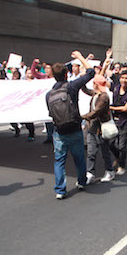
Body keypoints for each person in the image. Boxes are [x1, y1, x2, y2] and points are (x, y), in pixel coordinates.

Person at [46, 51, 95, 199]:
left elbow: (50, 113)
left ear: (53, 76)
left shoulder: (49, 94)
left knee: (59, 161)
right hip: (74, 128)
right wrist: (80, 57)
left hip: (59, 131)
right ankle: (81, 182)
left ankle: (60, 190)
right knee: (79, 157)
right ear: (67, 74)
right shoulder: (72, 87)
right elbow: (91, 72)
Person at [82, 50, 115, 185]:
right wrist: (82, 79)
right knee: (91, 152)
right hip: (92, 128)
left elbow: (96, 112)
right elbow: (85, 90)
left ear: (96, 84)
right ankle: (90, 173)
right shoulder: (96, 93)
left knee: (104, 151)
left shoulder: (104, 97)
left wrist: (82, 117)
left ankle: (109, 171)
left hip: (101, 129)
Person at [109, 71, 127, 175]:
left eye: (126, 78)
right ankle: (118, 157)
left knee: (121, 146)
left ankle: (121, 166)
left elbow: (125, 108)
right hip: (113, 121)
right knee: (110, 143)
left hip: (125, 121)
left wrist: (110, 107)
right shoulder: (115, 88)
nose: (124, 80)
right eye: (122, 78)